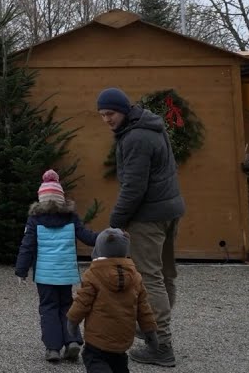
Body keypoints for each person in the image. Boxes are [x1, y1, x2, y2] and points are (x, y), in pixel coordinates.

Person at [96, 88, 185, 367]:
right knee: (165, 274)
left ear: (122, 109)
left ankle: (160, 344)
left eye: (109, 114)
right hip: (170, 210)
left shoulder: (135, 137)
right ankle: (153, 329)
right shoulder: (152, 126)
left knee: (150, 277)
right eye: (102, 115)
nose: (106, 120)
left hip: (149, 216)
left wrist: (116, 222)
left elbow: (134, 187)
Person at [15, 170, 99, 363]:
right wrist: (105, 237)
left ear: (41, 199)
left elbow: (27, 246)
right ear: (61, 198)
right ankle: (72, 341)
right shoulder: (70, 217)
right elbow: (87, 236)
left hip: (45, 275)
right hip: (66, 273)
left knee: (48, 308)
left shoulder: (35, 219)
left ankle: (53, 348)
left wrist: (21, 270)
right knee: (66, 306)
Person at [68, 228, 159, 373]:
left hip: (97, 339)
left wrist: (72, 322)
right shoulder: (135, 277)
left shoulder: (93, 275)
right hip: (122, 340)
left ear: (99, 249)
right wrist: (150, 332)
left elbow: (82, 303)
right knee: (119, 363)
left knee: (94, 360)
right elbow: (144, 309)